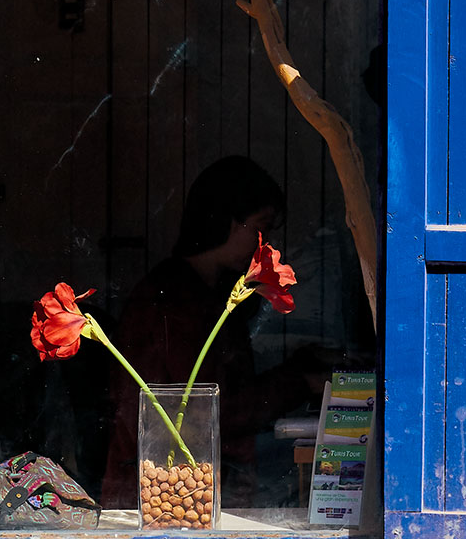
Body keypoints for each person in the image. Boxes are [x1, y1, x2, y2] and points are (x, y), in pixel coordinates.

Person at [100, 156, 318, 509]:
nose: (267, 241)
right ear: (230, 223)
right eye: (261, 226)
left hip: (192, 489)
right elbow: (207, 411)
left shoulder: (205, 290)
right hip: (166, 495)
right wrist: (300, 381)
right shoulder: (173, 301)